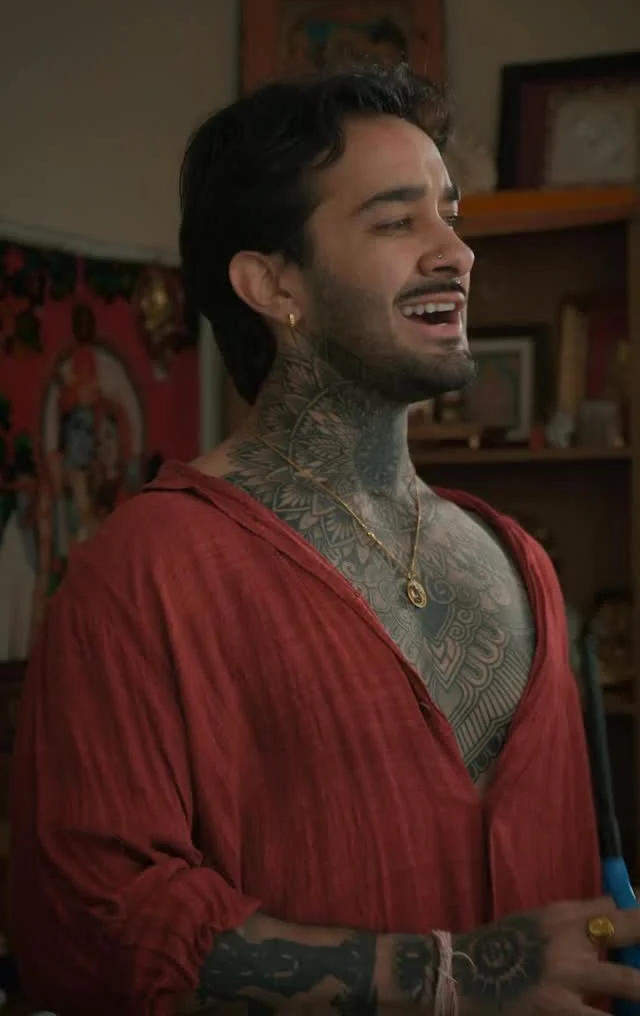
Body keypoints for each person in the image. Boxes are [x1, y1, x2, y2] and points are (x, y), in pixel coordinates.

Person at [10, 65, 640, 1016]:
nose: (457, 252)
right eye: (396, 222)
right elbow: (91, 925)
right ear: (273, 283)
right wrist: (453, 976)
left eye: (449, 214)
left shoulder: (523, 560)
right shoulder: (139, 578)